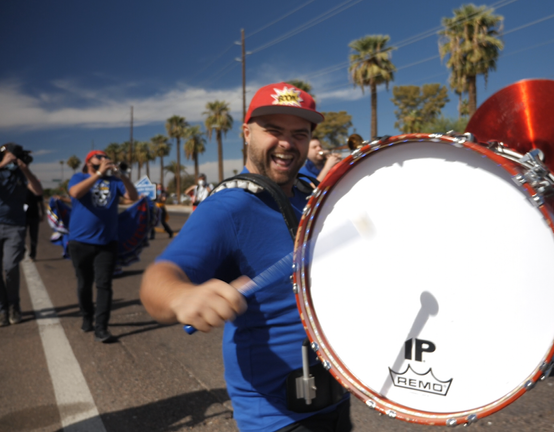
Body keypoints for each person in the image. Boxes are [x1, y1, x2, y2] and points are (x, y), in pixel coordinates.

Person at [140, 82, 351, 432]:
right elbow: (157, 280)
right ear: (246, 133)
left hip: (337, 393)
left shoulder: (312, 196)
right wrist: (182, 296)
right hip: (276, 417)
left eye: (299, 134)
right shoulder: (228, 208)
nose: (287, 143)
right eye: (273, 131)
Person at [68, 150, 138, 343]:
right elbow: (75, 193)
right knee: (83, 283)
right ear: (89, 161)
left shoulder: (114, 182)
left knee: (104, 284)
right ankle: (86, 316)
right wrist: (98, 175)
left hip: (107, 243)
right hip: (80, 242)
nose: (104, 159)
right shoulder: (78, 177)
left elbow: (133, 196)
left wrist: (122, 176)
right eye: (99, 156)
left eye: (106, 156)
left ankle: (101, 327)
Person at [0, 143, 43, 327]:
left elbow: (38, 191)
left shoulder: (22, 175)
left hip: (14, 227)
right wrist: (1, 166)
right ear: (2, 156)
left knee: (11, 268)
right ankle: (1, 310)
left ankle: (14, 306)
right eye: (8, 156)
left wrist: (25, 169)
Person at [25, 187, 46, 260]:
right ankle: (22, 251)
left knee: (34, 237)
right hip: (24, 216)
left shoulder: (37, 191)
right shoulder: (22, 189)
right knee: (20, 236)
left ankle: (33, 255)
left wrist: (43, 213)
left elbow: (41, 203)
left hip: (34, 216)